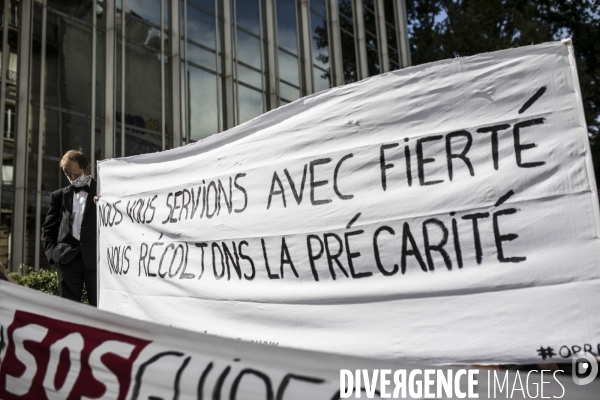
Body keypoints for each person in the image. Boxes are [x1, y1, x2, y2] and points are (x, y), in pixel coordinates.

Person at [41, 149, 97, 306]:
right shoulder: (59, 196)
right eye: (68, 175)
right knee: (69, 310)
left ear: (87, 169)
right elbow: (48, 228)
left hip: (95, 260)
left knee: (100, 309)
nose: (72, 179)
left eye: (76, 175)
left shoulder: (103, 191)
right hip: (67, 261)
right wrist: (53, 254)